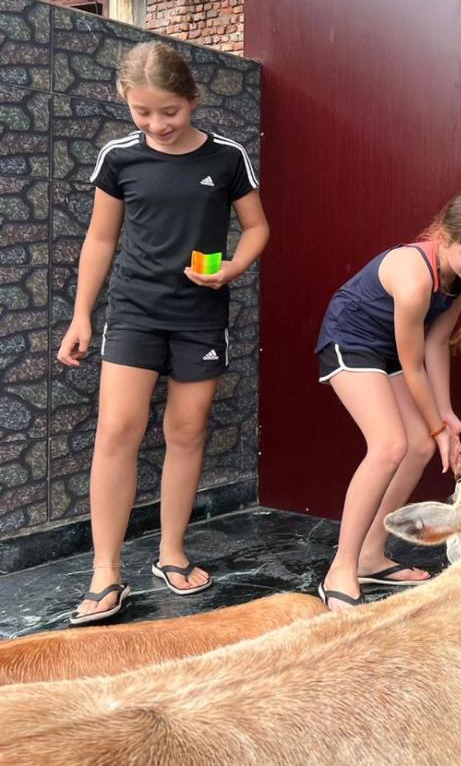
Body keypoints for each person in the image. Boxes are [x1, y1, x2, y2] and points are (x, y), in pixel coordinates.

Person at [58, 41, 269, 624]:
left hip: (200, 314)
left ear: (192, 101)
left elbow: (256, 228)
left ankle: (170, 552)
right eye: (144, 112)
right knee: (117, 431)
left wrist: (231, 268)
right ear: (126, 101)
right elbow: (100, 239)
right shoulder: (119, 159)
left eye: (170, 112)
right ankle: (106, 572)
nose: (158, 124)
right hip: (132, 311)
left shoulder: (226, 158)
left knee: (187, 429)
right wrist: (82, 315)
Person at [314, 186, 461, 610]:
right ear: (446, 237)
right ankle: (340, 569)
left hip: (390, 350)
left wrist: (446, 416)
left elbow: (436, 347)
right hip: (352, 340)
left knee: (419, 447)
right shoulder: (415, 276)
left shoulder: (457, 284)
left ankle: (370, 554)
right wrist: (438, 426)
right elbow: (413, 363)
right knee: (389, 446)